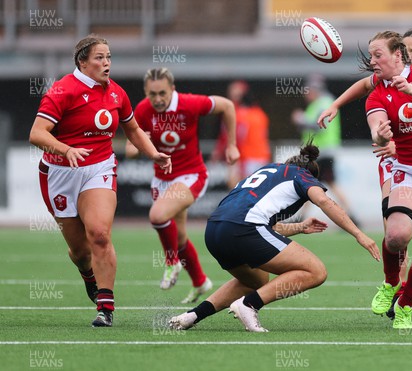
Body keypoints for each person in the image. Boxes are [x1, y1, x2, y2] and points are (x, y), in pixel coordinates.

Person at [29, 35, 172, 327]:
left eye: (109, 57)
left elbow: (132, 130)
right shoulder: (62, 90)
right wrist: (66, 149)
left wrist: (154, 153)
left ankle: (105, 307)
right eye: (99, 58)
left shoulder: (117, 93)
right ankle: (87, 274)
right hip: (58, 173)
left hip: (99, 168)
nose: (106, 63)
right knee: (81, 252)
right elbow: (37, 134)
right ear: (82, 61)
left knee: (99, 235)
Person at [168, 141, 380, 332]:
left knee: (257, 280)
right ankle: (248, 305)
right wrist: (359, 234)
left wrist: (299, 226)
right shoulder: (302, 174)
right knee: (316, 271)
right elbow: (325, 202)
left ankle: (193, 315)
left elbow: (262, 222)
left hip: (215, 230)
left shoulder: (268, 171)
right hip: (244, 229)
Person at [318, 29, 412, 322]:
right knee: (397, 234)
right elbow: (368, 103)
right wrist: (380, 138)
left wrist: (410, 88)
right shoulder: (380, 85)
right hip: (400, 164)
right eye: (408, 50)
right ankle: (396, 287)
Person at [125, 67, 240, 304]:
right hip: (162, 178)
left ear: (172, 90)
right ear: (146, 92)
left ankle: (171, 262)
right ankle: (200, 281)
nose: (157, 99)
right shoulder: (143, 110)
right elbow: (130, 150)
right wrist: (141, 143)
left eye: (162, 93)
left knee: (157, 215)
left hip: (191, 174)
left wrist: (231, 145)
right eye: (152, 94)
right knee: (178, 238)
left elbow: (227, 106)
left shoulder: (189, 104)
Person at [291, 74, 353, 217]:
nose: (306, 95)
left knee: (311, 184)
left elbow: (317, 126)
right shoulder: (320, 103)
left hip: (322, 151)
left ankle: (348, 214)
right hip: (321, 152)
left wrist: (300, 119)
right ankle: (349, 214)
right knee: (316, 184)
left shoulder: (324, 103)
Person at [212, 80, 271, 189]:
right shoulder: (259, 112)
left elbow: (234, 136)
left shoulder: (239, 113)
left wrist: (221, 151)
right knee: (255, 190)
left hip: (247, 157)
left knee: (241, 189)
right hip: (261, 156)